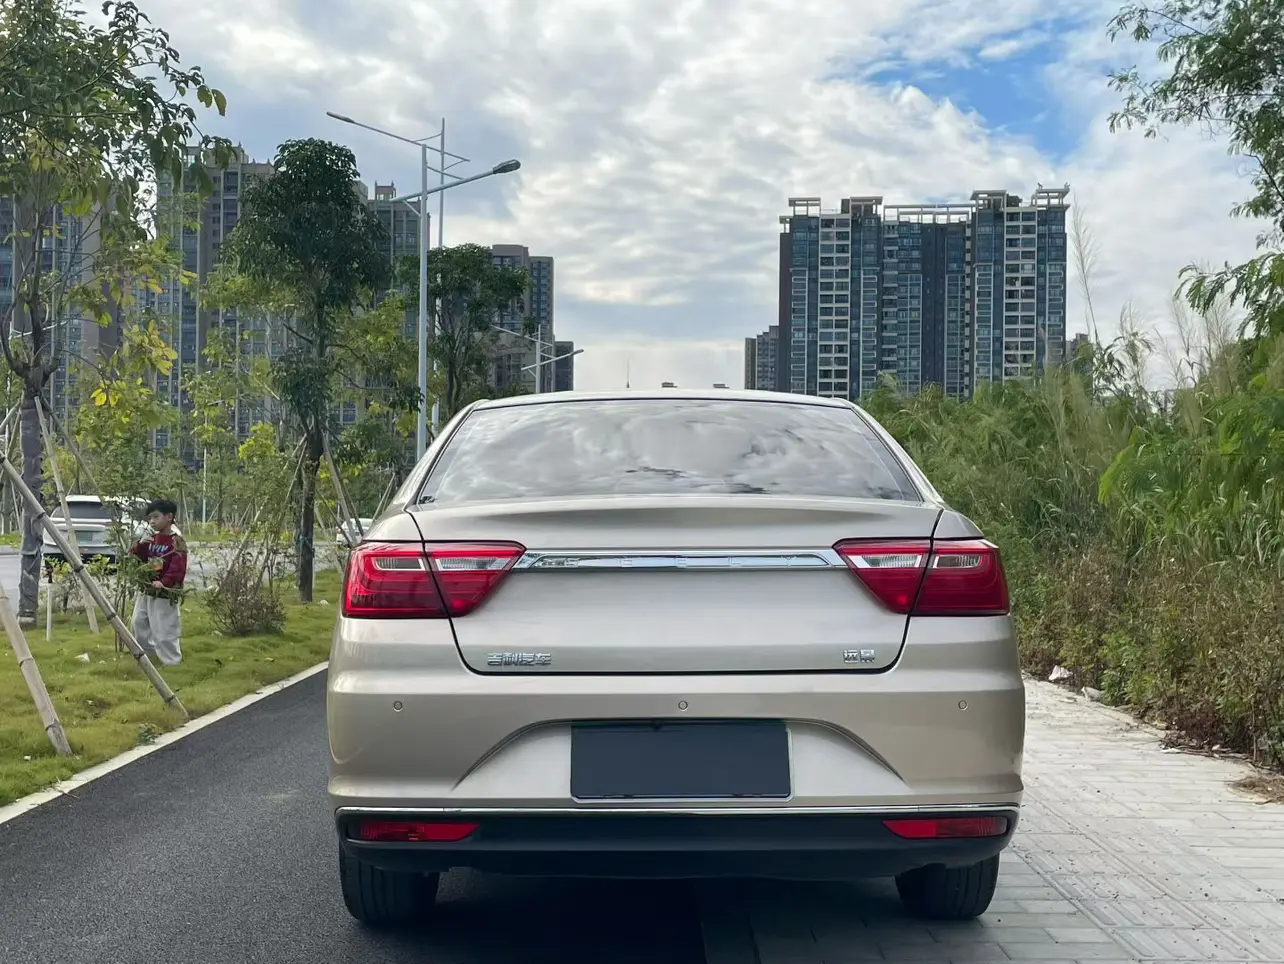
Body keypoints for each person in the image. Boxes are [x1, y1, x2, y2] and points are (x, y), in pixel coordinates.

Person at [127, 498, 188, 666]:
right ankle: (150, 656)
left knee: (164, 629)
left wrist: (165, 582)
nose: (152, 521)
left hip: (164, 593)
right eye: (150, 518)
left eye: (156, 517)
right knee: (138, 623)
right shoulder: (151, 539)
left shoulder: (176, 541)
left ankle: (171, 661)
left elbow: (178, 567)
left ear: (169, 517)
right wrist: (140, 545)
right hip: (147, 589)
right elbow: (137, 557)